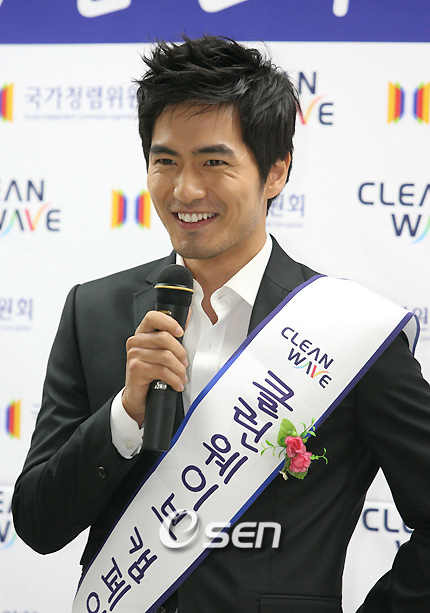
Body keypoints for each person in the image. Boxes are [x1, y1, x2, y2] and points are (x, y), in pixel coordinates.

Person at [12, 36, 430, 613]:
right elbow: (38, 523)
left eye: (214, 162)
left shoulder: (351, 332)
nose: (185, 190)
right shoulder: (94, 311)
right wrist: (125, 415)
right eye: (166, 162)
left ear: (276, 172)